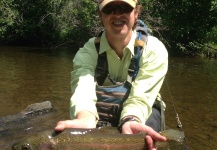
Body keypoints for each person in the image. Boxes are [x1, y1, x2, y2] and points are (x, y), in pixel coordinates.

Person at [55, 0, 168, 149]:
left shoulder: (153, 49)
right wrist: (86, 118)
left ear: (135, 13)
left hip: (142, 110)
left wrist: (131, 120)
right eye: (110, 9)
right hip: (101, 110)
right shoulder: (88, 51)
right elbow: (82, 86)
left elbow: (141, 98)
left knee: (144, 142)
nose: (117, 14)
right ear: (100, 15)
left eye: (124, 8)